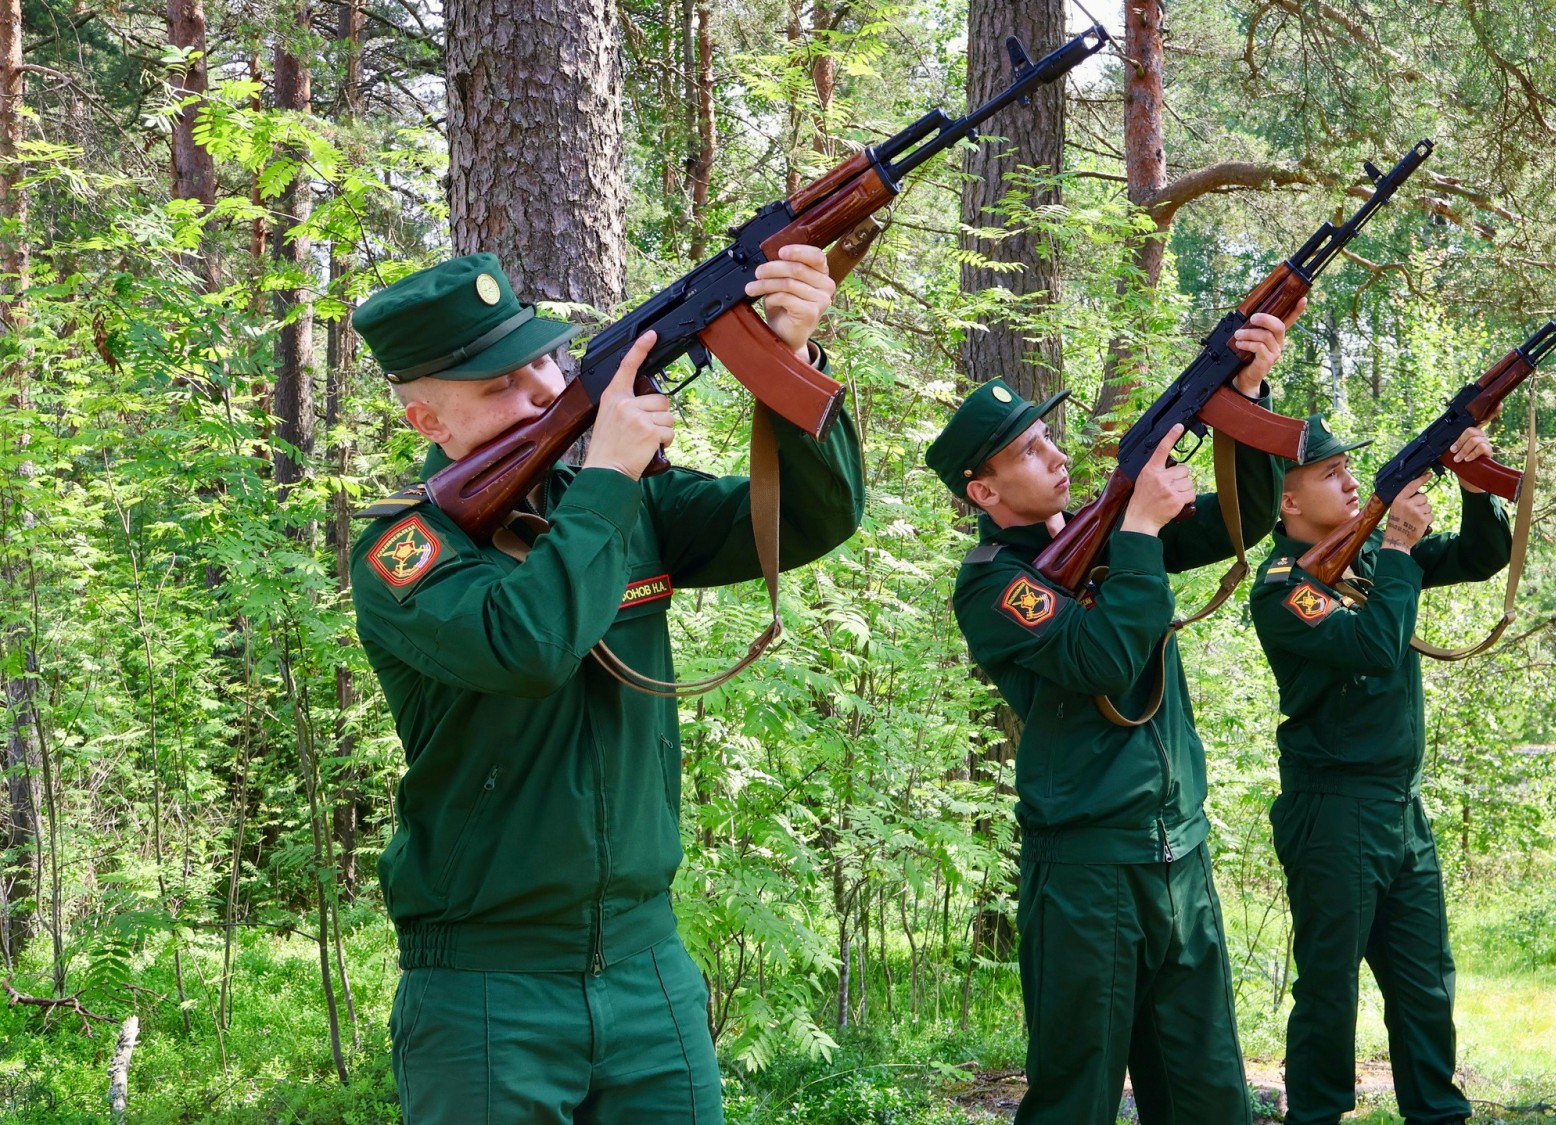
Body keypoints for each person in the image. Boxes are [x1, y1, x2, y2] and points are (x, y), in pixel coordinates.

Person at [348, 248, 865, 1123]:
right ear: (425, 418)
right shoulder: (407, 556)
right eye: (502, 384)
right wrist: (608, 479)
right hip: (486, 989)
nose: (544, 389)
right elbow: (527, 644)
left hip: (646, 965)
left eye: (544, 360)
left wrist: (790, 358)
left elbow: (812, 517)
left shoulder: (625, 505)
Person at [924, 312, 1290, 1123]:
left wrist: (1249, 395)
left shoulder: (1110, 534)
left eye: (1046, 437)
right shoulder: (992, 585)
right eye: (1025, 451)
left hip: (1179, 857)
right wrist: (1138, 531)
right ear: (982, 491)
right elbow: (1100, 657)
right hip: (1087, 876)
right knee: (1075, 1102)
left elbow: (1244, 519)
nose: (1054, 454)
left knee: (1210, 1098)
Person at [1247, 416, 1509, 1125]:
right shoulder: (1282, 587)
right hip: (1333, 808)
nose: (1350, 480)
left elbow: (1484, 556)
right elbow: (1373, 647)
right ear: (1288, 502)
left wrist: (1478, 483)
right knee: (1330, 989)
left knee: (1425, 984)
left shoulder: (1364, 558)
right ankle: (1317, 1115)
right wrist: (1398, 543)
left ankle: (1438, 1113)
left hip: (1400, 805)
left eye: (1348, 469)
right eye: (1330, 474)